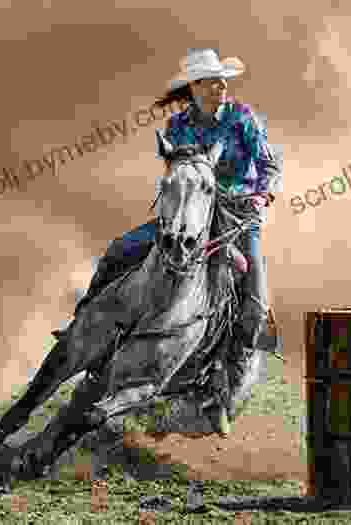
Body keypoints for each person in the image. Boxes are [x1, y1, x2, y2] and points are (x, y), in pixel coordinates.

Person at [75, 48, 283, 433]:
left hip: (238, 217)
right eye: (212, 80)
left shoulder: (243, 119)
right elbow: (179, 175)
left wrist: (262, 192)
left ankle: (223, 383)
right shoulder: (177, 127)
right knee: (120, 250)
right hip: (190, 215)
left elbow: (270, 164)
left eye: (223, 80)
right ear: (195, 87)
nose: (222, 86)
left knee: (255, 299)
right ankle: (86, 330)